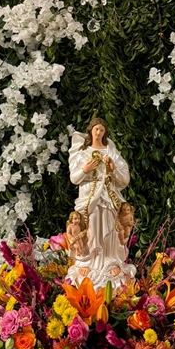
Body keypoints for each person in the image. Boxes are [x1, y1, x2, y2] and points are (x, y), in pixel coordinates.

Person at [67, 117, 136, 290]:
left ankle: (110, 261)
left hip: (109, 199)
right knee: (91, 231)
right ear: (90, 130)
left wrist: (113, 169)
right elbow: (74, 178)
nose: (98, 133)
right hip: (89, 200)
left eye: (102, 130)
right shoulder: (82, 152)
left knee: (110, 230)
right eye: (96, 129)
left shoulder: (110, 150)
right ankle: (87, 262)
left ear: (105, 133)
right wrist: (85, 169)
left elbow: (124, 179)